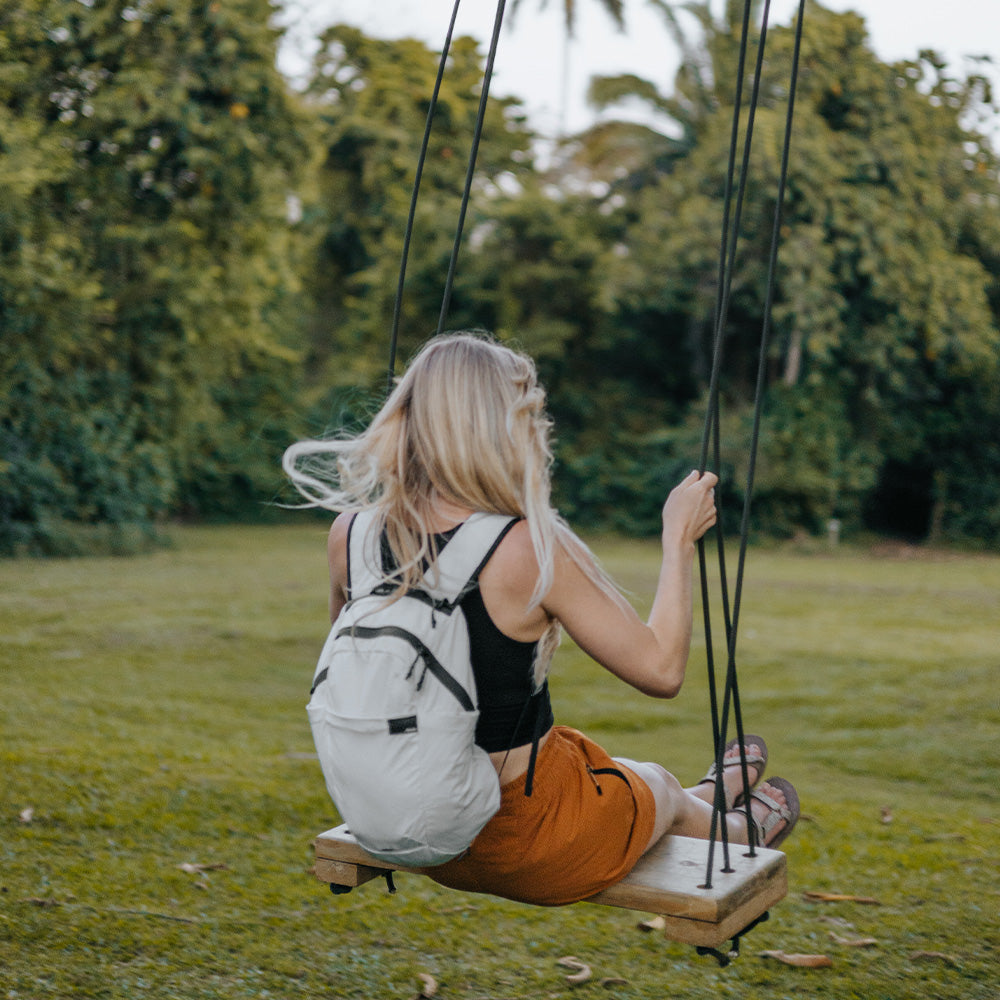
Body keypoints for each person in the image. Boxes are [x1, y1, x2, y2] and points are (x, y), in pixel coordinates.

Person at [284, 331, 799, 907]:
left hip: (423, 830)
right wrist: (677, 538)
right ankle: (740, 827)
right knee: (654, 784)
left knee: (614, 771)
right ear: (506, 428)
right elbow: (661, 670)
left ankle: (708, 789)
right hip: (531, 841)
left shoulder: (349, 535)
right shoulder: (524, 548)